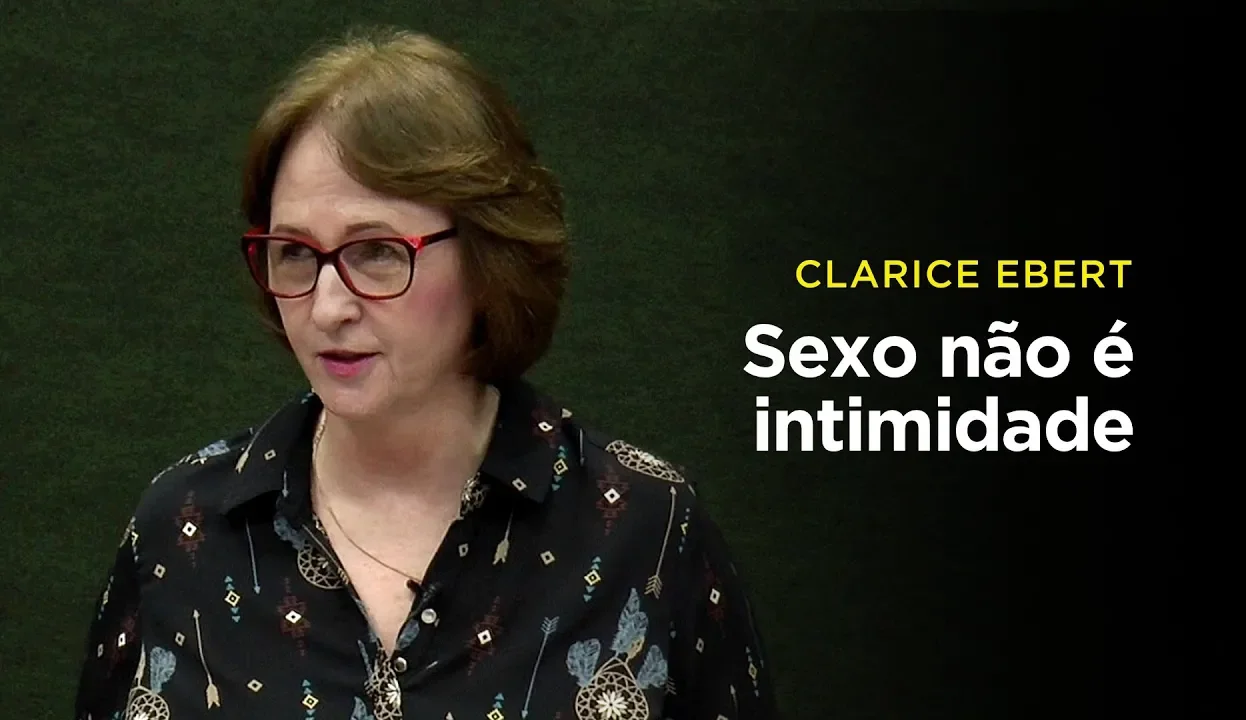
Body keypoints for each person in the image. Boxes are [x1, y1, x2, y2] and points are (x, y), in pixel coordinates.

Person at [73, 25, 778, 720]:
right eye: (295, 253)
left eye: (377, 252)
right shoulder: (182, 531)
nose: (327, 307)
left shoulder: (644, 532)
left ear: (489, 255)